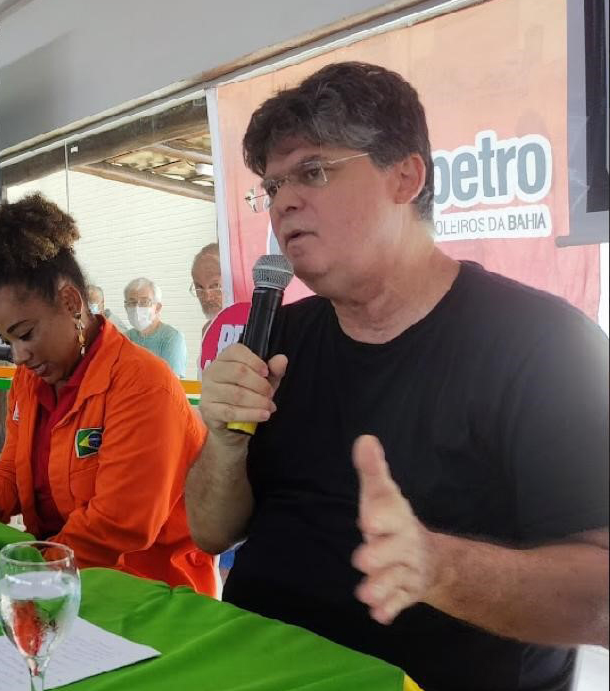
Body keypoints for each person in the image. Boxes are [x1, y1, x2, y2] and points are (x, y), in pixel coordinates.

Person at [186, 62, 608, 691]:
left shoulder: (546, 345)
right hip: (254, 669)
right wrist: (224, 441)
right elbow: (211, 531)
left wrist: (434, 567)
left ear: (406, 176)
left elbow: (600, 602)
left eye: (313, 171)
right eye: (271, 187)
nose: (283, 203)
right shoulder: (278, 336)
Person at [0, 194, 214, 595]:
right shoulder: (31, 381)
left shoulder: (144, 384)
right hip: (58, 577)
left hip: (146, 593)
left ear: (71, 302)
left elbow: (117, 526)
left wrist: (25, 575)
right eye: (6, 341)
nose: (18, 356)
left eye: (25, 334)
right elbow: (14, 475)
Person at [122, 277, 186, 376]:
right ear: (126, 307)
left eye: (144, 302)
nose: (137, 308)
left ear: (157, 308)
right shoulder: (125, 338)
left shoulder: (172, 338)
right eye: (132, 302)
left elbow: (170, 382)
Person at [190, 243, 223, 335]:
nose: (207, 297)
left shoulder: (253, 327)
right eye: (199, 287)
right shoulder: (207, 330)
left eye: (215, 285)